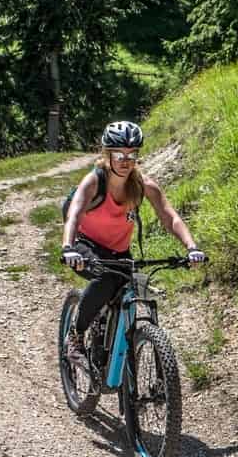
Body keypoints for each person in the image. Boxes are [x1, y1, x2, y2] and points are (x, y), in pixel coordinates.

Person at [61, 121, 207, 371]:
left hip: (119, 252)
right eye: (119, 154)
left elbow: (170, 216)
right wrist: (68, 247)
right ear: (107, 154)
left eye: (132, 154)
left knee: (130, 286)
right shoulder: (94, 182)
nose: (125, 160)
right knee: (107, 279)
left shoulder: (143, 185)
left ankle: (119, 343)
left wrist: (192, 247)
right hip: (85, 246)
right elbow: (74, 213)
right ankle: (74, 337)